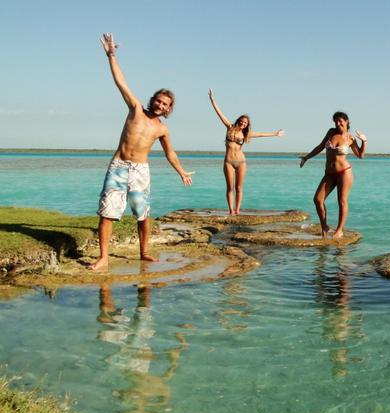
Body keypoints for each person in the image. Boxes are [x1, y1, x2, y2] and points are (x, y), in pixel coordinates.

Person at [90, 33, 194, 271]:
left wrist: (181, 172)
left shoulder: (162, 129)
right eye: (158, 101)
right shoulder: (136, 109)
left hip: (140, 171)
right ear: (153, 100)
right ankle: (104, 257)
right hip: (119, 167)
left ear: (169, 108)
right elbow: (120, 81)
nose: (160, 105)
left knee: (142, 214)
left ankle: (144, 252)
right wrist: (111, 55)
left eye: (165, 104)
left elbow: (171, 154)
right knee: (107, 213)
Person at [208, 89, 284, 215]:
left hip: (241, 161)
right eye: (241, 121)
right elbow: (220, 114)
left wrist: (275, 133)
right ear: (238, 121)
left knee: (239, 187)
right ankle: (231, 210)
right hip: (228, 161)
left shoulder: (246, 134)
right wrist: (212, 100)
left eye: (245, 123)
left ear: (247, 125)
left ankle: (237, 210)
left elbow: (261, 134)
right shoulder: (230, 127)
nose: (243, 124)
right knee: (229, 187)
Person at [299, 112, 367, 238]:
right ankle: (324, 226)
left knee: (342, 201)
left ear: (347, 121)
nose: (338, 123)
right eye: (335, 121)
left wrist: (364, 141)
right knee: (318, 200)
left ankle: (339, 229)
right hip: (329, 173)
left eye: (340, 120)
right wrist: (306, 157)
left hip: (344, 172)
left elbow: (361, 155)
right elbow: (320, 147)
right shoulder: (331, 132)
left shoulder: (351, 139)